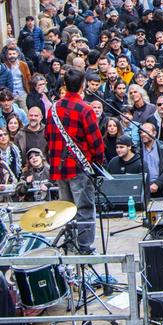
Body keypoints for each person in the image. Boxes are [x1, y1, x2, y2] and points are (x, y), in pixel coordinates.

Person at [45, 67, 105, 254]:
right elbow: (96, 141)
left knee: (67, 208)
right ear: (82, 85)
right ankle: (85, 247)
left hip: (59, 166)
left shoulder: (53, 108)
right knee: (84, 208)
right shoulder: (85, 109)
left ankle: (71, 245)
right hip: (79, 166)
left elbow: (47, 135)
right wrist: (98, 161)